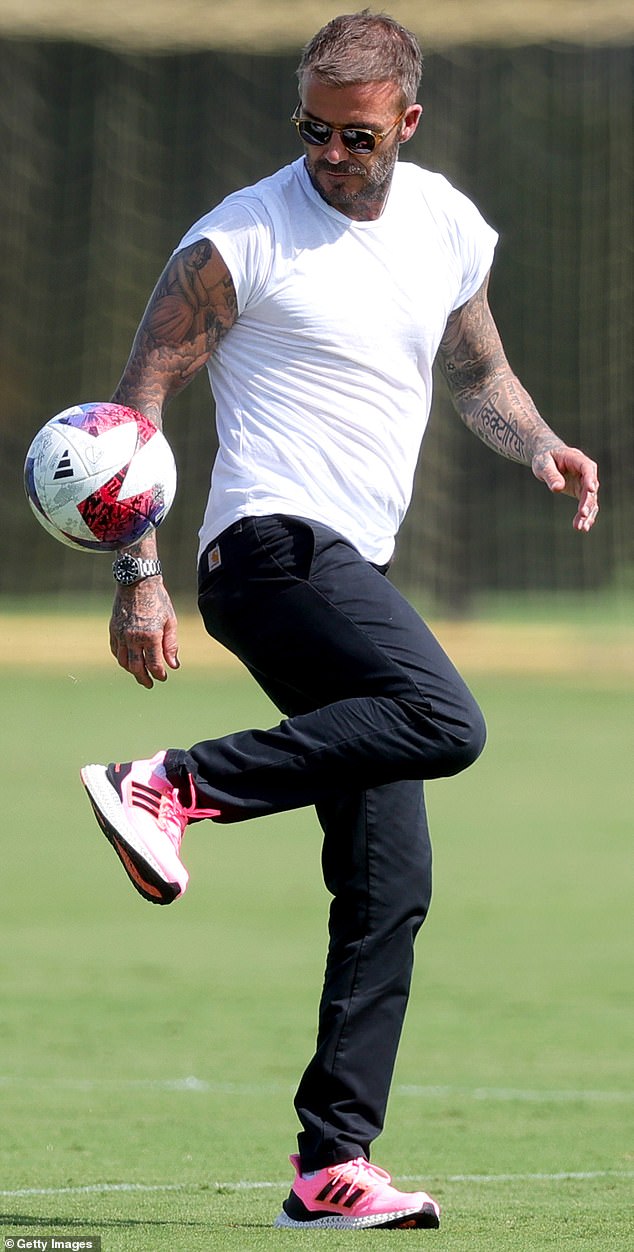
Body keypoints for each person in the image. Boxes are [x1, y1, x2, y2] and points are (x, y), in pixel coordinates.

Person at [80, 10, 600, 1231]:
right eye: (310, 128)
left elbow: (476, 370)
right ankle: (167, 785)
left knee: (389, 877)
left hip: (345, 563)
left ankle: (330, 1167)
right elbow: (134, 403)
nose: (329, 152)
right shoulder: (238, 237)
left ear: (405, 125)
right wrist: (135, 575)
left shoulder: (443, 223)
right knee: (443, 717)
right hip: (267, 551)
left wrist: (540, 447)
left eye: (355, 135)